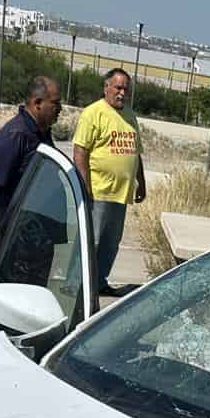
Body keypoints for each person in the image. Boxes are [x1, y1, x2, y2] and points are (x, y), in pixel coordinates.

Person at [73, 68, 146, 297]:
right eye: (118, 87)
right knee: (91, 242)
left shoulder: (131, 116)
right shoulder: (93, 113)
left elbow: (136, 153)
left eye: (126, 89)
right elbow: (80, 152)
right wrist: (85, 186)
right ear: (106, 87)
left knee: (110, 244)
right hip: (98, 192)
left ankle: (99, 282)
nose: (122, 93)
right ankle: (77, 285)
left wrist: (140, 183)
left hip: (121, 193)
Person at [0, 75, 61, 247]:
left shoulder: (42, 132)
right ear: (37, 103)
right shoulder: (16, 134)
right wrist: (0, 204)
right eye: (55, 103)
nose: (60, 109)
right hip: (18, 232)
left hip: (39, 227)